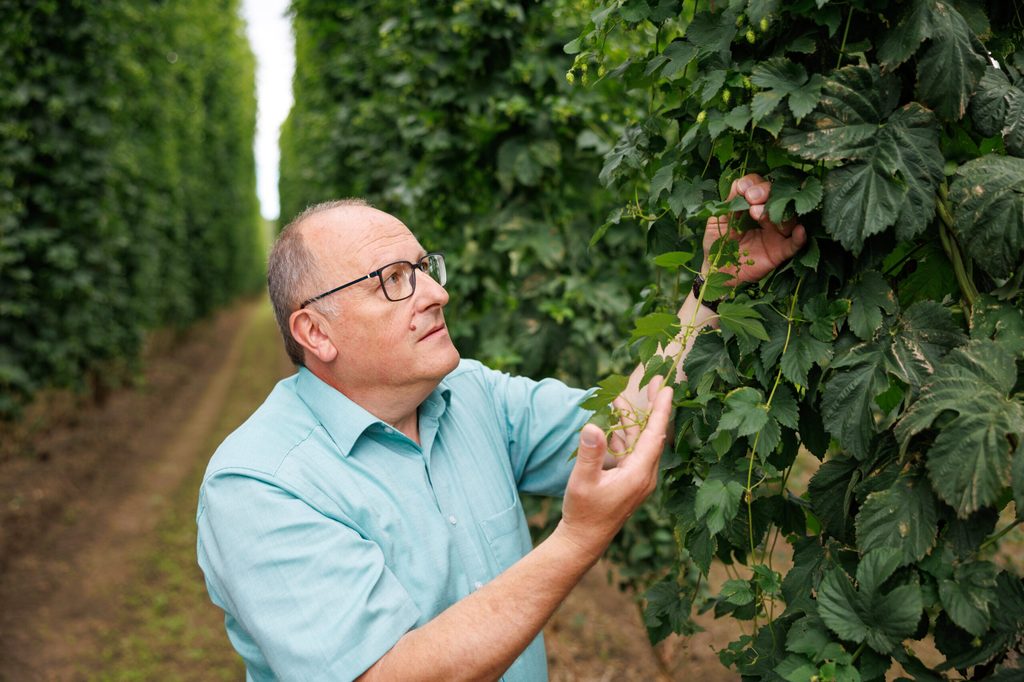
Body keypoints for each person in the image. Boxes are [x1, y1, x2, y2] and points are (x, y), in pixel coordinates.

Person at [196, 174, 806, 681]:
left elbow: (624, 427)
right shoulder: (258, 486)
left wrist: (713, 287)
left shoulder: (471, 396)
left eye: (424, 267)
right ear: (316, 333)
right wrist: (578, 539)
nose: (438, 293)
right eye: (393, 280)